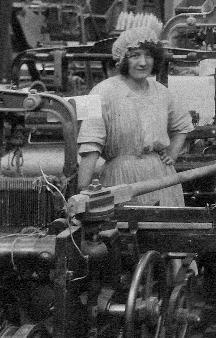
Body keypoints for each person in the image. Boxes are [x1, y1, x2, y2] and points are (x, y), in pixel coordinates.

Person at [77, 27, 193, 206]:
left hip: (160, 177)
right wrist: (82, 191)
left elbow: (183, 125)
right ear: (122, 59)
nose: (143, 62)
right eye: (135, 55)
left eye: (148, 55)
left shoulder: (162, 92)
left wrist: (172, 154)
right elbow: (90, 143)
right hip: (121, 179)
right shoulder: (100, 92)